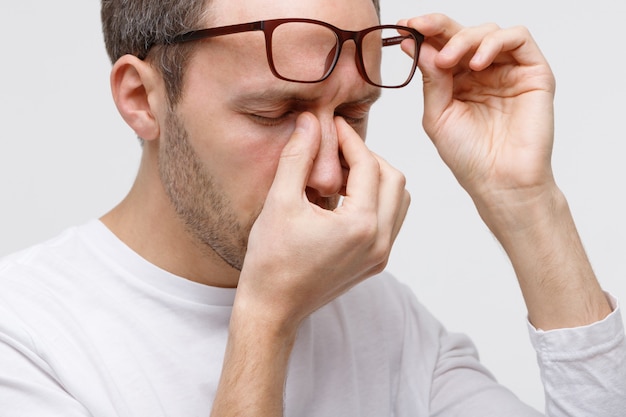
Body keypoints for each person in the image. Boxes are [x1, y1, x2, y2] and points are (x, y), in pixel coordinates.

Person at [0, 0, 624, 416]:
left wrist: (526, 200)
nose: (329, 171)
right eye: (273, 114)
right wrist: (267, 322)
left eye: (354, 114)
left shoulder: (384, 318)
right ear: (142, 98)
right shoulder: (24, 339)